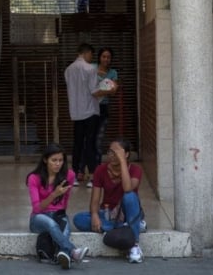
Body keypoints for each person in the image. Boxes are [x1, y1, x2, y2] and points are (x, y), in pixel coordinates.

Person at [72, 138, 145, 264]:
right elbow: (95, 199)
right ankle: (128, 227)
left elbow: (127, 188)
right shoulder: (101, 169)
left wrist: (122, 161)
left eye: (116, 152)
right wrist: (94, 215)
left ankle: (134, 244)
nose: (111, 155)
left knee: (130, 196)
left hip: (126, 212)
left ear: (126, 154)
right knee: (79, 219)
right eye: (110, 152)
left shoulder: (135, 170)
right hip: (107, 213)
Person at [26, 143, 88, 270]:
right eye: (54, 160)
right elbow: (37, 208)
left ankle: (64, 255)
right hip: (39, 218)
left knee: (64, 229)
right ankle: (73, 251)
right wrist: (54, 194)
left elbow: (65, 201)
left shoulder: (69, 175)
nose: (58, 164)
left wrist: (61, 215)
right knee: (52, 225)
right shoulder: (34, 178)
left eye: (60, 160)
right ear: (45, 160)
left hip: (58, 214)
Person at [64, 43, 117, 188]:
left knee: (77, 144)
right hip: (90, 112)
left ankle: (74, 175)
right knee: (91, 144)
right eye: (91, 55)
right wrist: (109, 90)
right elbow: (94, 91)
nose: (91, 58)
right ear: (87, 53)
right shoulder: (89, 69)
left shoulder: (68, 70)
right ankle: (93, 176)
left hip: (76, 112)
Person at [93, 47, 119, 166]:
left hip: (103, 108)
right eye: (104, 56)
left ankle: (97, 168)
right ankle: (82, 169)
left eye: (108, 57)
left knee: (98, 140)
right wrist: (106, 89)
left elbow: (114, 91)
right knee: (86, 140)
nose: (106, 59)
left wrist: (98, 92)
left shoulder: (113, 73)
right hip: (89, 108)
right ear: (99, 57)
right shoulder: (92, 68)